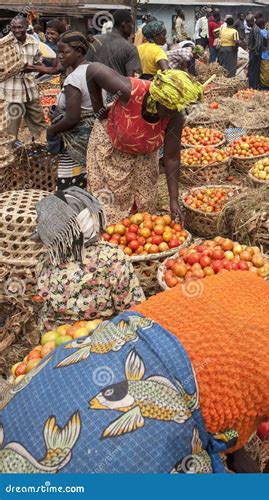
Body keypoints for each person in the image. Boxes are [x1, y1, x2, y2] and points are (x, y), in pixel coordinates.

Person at [0, 256, 269, 473]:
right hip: (136, 432)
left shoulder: (242, 283)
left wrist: (233, 443)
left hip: (75, 371)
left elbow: (227, 368)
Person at [85, 65, 202, 223]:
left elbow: (172, 157)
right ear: (157, 98)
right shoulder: (130, 90)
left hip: (144, 157)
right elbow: (93, 70)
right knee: (109, 208)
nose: (171, 115)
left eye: (176, 111)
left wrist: (173, 199)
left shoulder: (174, 115)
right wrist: (98, 110)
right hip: (111, 150)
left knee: (144, 209)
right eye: (168, 110)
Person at [31, 187, 144, 333]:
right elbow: (132, 309)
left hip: (56, 341)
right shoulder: (112, 257)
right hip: (100, 339)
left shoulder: (46, 261)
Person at [46, 32, 95, 190]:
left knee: (70, 185)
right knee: (86, 179)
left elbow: (72, 118)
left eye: (65, 52)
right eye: (58, 52)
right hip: (91, 139)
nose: (60, 56)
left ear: (79, 52)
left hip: (77, 142)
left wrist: (51, 130)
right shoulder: (91, 69)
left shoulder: (74, 78)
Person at [0, 16, 46, 141]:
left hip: (30, 92)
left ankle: (43, 153)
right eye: (13, 27)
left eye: (20, 27)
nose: (16, 30)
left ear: (27, 27)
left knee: (40, 128)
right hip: (10, 95)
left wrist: (32, 72)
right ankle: (8, 158)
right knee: (10, 133)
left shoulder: (34, 42)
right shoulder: (4, 44)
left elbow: (38, 63)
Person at [86, 10, 142, 77]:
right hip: (119, 87)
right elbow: (133, 79)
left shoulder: (95, 41)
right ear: (123, 25)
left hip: (94, 86)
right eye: (131, 24)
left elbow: (86, 67)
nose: (133, 27)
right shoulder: (130, 48)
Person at [247, 15, 262, 89]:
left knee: (254, 70)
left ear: (252, 21)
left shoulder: (256, 29)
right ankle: (252, 85)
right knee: (252, 69)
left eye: (248, 22)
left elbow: (258, 41)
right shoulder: (253, 28)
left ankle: (254, 86)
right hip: (253, 52)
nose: (247, 24)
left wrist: (255, 51)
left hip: (255, 53)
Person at [258, 18, 269, 89]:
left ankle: (263, 86)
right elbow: (267, 39)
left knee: (262, 71)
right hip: (264, 54)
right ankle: (265, 86)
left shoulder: (260, 31)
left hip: (262, 53)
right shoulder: (263, 31)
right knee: (265, 71)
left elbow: (266, 39)